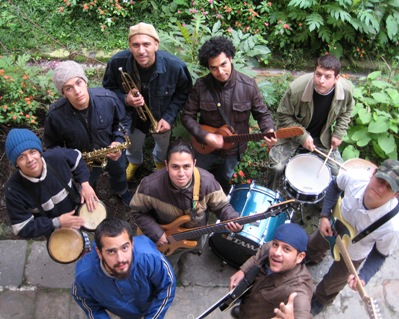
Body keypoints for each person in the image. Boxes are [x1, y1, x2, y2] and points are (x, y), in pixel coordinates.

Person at [130, 138, 242, 272]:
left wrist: (231, 217)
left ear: (194, 163)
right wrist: (156, 233)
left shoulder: (207, 183)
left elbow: (222, 206)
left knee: (195, 247)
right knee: (166, 268)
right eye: (175, 167)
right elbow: (137, 210)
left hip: (196, 235)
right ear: (166, 165)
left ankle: (189, 252)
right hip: (166, 240)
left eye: (186, 166)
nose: (181, 174)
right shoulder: (150, 187)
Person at [181, 36, 276, 193]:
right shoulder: (201, 86)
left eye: (223, 64)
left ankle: (219, 198)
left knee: (224, 177)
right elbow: (187, 116)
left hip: (233, 150)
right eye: (214, 68)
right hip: (205, 147)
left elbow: (262, 114)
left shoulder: (248, 86)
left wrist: (268, 129)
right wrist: (204, 136)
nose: (220, 72)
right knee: (198, 176)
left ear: (230, 58)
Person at [306, 159, 399, 315]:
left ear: (396, 195)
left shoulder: (392, 227)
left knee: (334, 281)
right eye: (381, 180)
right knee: (314, 244)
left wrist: (363, 276)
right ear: (373, 174)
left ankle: (321, 299)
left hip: (354, 251)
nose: (381, 189)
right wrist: (324, 215)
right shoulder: (354, 177)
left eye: (389, 187)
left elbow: (380, 254)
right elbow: (335, 185)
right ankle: (311, 257)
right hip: (334, 223)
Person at [102, 22, 193, 181]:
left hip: (161, 117)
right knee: (133, 146)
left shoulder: (175, 66)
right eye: (135, 45)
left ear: (156, 45)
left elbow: (184, 92)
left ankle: (159, 162)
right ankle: (135, 163)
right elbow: (107, 90)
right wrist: (125, 99)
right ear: (130, 46)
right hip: (132, 118)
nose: (141, 51)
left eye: (146, 44)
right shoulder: (117, 62)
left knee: (163, 145)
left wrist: (169, 117)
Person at [44, 60, 132, 206]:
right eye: (69, 88)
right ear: (63, 94)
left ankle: (121, 191)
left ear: (86, 82)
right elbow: (53, 146)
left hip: (113, 151)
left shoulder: (108, 99)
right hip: (83, 161)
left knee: (119, 173)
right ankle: (92, 197)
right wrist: (72, 160)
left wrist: (118, 139)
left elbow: (123, 120)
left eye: (79, 83)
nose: (77, 91)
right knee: (87, 182)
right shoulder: (55, 115)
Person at [267, 54, 354, 189]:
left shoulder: (346, 91)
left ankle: (326, 205)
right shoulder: (297, 89)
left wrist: (339, 133)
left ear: (337, 78)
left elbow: (347, 110)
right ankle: (270, 194)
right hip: (291, 136)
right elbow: (283, 116)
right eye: (318, 74)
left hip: (321, 138)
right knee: (277, 166)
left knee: (338, 172)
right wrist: (303, 136)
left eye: (327, 76)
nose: (321, 80)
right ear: (314, 72)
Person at [72, 217, 176, 319]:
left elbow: (168, 285)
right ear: (99, 252)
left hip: (149, 305)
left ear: (132, 244)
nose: (120, 259)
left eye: (125, 248)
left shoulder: (150, 257)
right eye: (111, 251)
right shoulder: (84, 275)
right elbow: (82, 298)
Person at [4, 128, 97, 239]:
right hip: (54, 230)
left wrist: (85, 184)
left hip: (79, 211)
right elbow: (22, 228)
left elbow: (77, 159)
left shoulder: (57, 157)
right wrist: (57, 222)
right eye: (21, 157)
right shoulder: (13, 190)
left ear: (39, 152)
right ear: (16, 164)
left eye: (32, 152)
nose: (29, 159)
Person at [229, 223, 313, 319]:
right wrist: (243, 270)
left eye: (286, 249)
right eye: (275, 244)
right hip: (250, 306)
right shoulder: (270, 247)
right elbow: (258, 257)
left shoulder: (298, 289)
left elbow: (302, 313)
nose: (277, 252)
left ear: (300, 257)